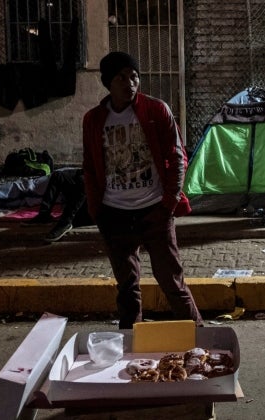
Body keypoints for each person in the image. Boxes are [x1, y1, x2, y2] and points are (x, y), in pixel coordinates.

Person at [82, 51, 203, 329]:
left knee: (172, 282)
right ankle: (129, 347)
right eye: (121, 77)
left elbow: (177, 156)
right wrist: (96, 210)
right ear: (107, 83)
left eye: (134, 76)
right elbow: (88, 166)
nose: (130, 83)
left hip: (155, 212)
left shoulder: (156, 110)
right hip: (114, 215)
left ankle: (200, 338)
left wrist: (169, 203)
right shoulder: (93, 119)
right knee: (127, 289)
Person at [21, 167, 90, 242]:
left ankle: (66, 222)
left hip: (93, 211)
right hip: (90, 175)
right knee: (58, 175)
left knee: (84, 180)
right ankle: (44, 215)